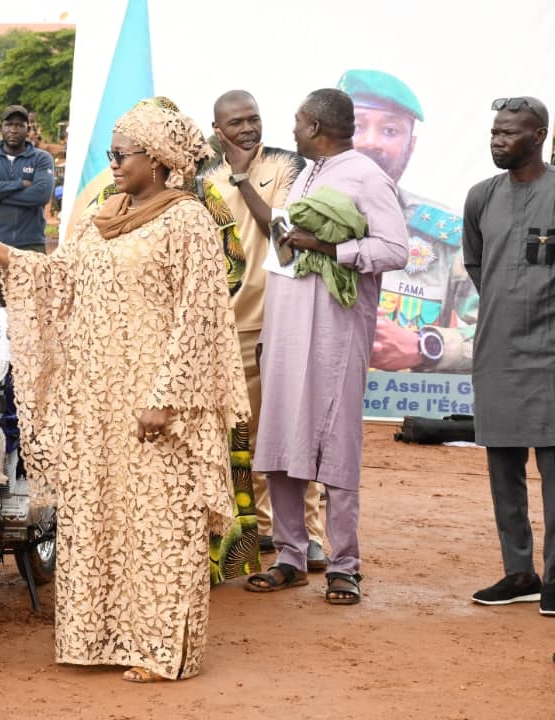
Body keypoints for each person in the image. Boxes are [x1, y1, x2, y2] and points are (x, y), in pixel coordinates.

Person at [0, 96, 249, 683]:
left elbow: (202, 315)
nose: (112, 163)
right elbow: (59, 278)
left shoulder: (188, 220)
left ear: (159, 159)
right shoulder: (100, 214)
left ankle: (161, 649)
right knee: (99, 516)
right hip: (95, 397)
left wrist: (169, 396)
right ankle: (99, 636)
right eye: (110, 152)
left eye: (122, 153)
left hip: (155, 399)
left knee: (159, 522)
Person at [245, 89, 407, 604]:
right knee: (280, 442)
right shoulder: (308, 173)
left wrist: (330, 248)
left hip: (334, 337)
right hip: (287, 331)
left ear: (316, 126)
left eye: (297, 121)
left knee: (333, 445)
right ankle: (291, 556)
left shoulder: (365, 176)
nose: (292, 130)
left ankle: (344, 565)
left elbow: (395, 248)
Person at [206, 90, 326, 567]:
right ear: (218, 131)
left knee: (291, 429)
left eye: (253, 119)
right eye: (236, 123)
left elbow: (283, 232)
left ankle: (312, 534)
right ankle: (259, 531)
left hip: (283, 318)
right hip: (229, 323)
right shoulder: (204, 180)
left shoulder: (289, 166)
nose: (247, 129)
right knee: (241, 433)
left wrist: (242, 180)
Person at [463, 96, 555, 615]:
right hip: (496, 348)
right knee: (504, 467)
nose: (497, 141)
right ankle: (519, 572)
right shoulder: (480, 197)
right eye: (495, 132)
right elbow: (478, 265)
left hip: (551, 354)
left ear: (538, 136)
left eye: (509, 133)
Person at [337, 69, 477, 372]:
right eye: (356, 126)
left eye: (390, 131)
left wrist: (425, 347)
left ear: (410, 147)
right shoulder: (289, 222)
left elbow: (504, 335)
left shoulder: (448, 236)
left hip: (399, 412)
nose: (371, 142)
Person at [0, 104, 54, 304]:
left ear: (28, 128)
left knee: (32, 312)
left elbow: (41, 195)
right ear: (2, 127)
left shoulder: (41, 158)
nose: (14, 129)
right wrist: (19, 185)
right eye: (9, 124)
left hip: (30, 246)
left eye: (19, 125)